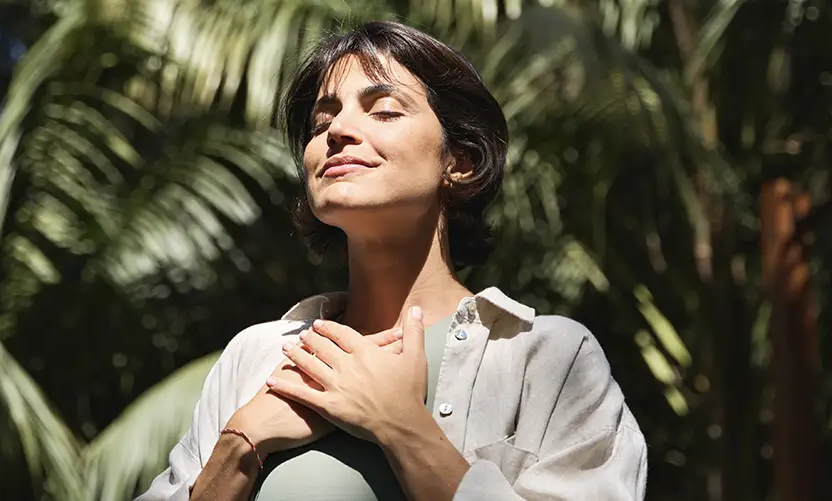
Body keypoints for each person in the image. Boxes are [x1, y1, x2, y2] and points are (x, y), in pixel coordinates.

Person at [136, 20, 647, 501]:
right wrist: (239, 443)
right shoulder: (257, 357)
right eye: (322, 120)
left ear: (460, 161)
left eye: (383, 111)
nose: (336, 132)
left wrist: (403, 428)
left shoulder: (546, 359)